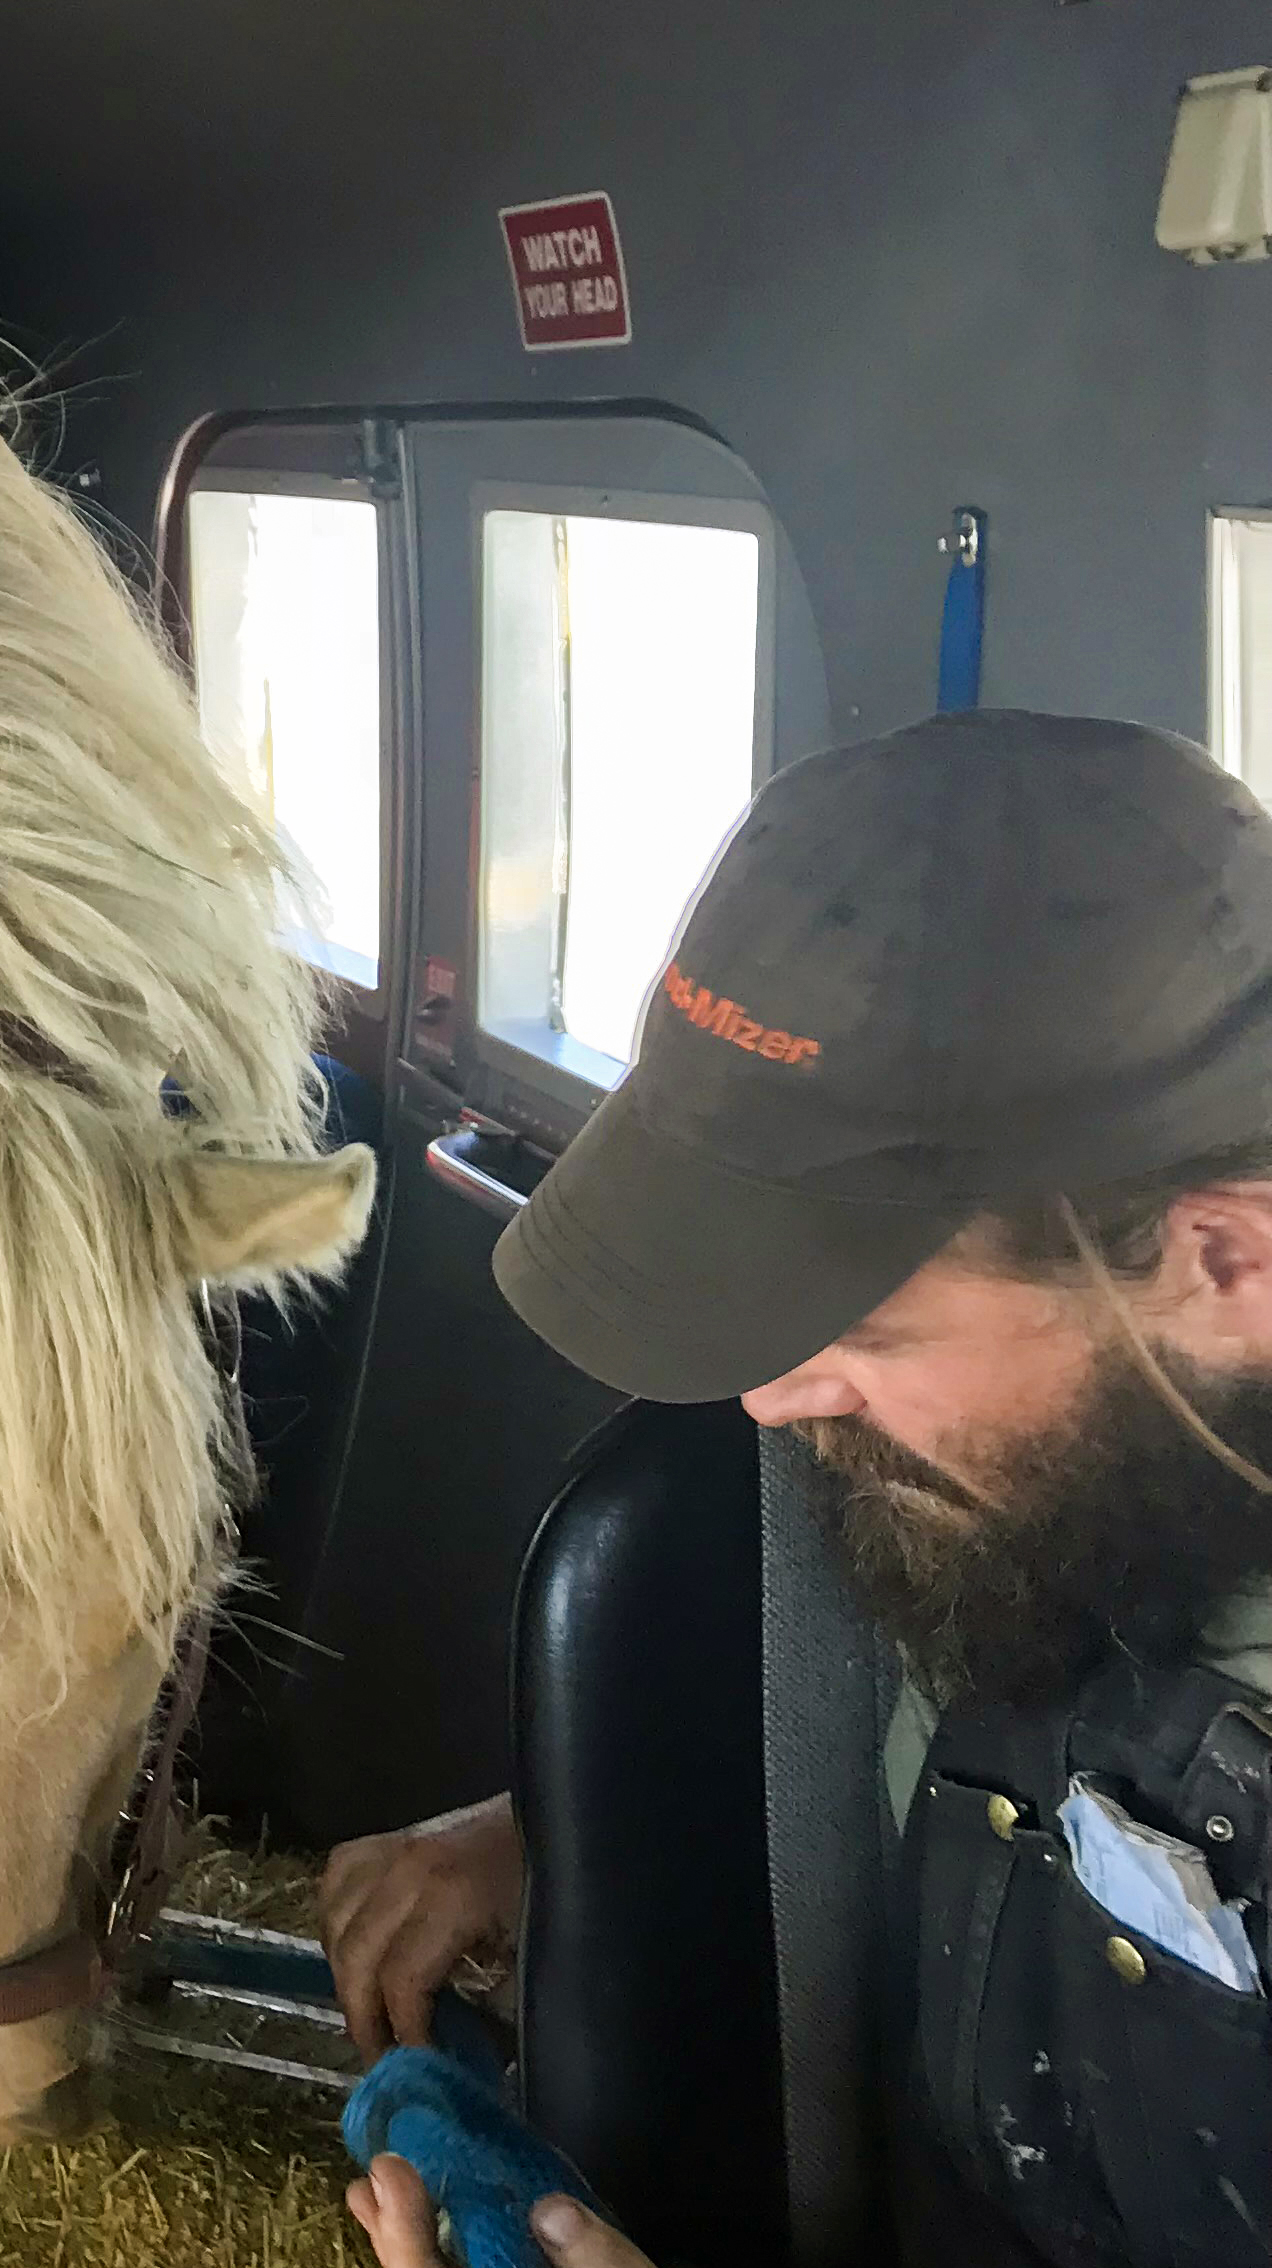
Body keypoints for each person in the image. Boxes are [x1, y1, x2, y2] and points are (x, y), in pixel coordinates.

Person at [331, 710, 1272, 2268]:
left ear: (1227, 1258)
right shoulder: (1074, 1474)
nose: (770, 1403)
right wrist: (551, 1831)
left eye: (869, 1333)